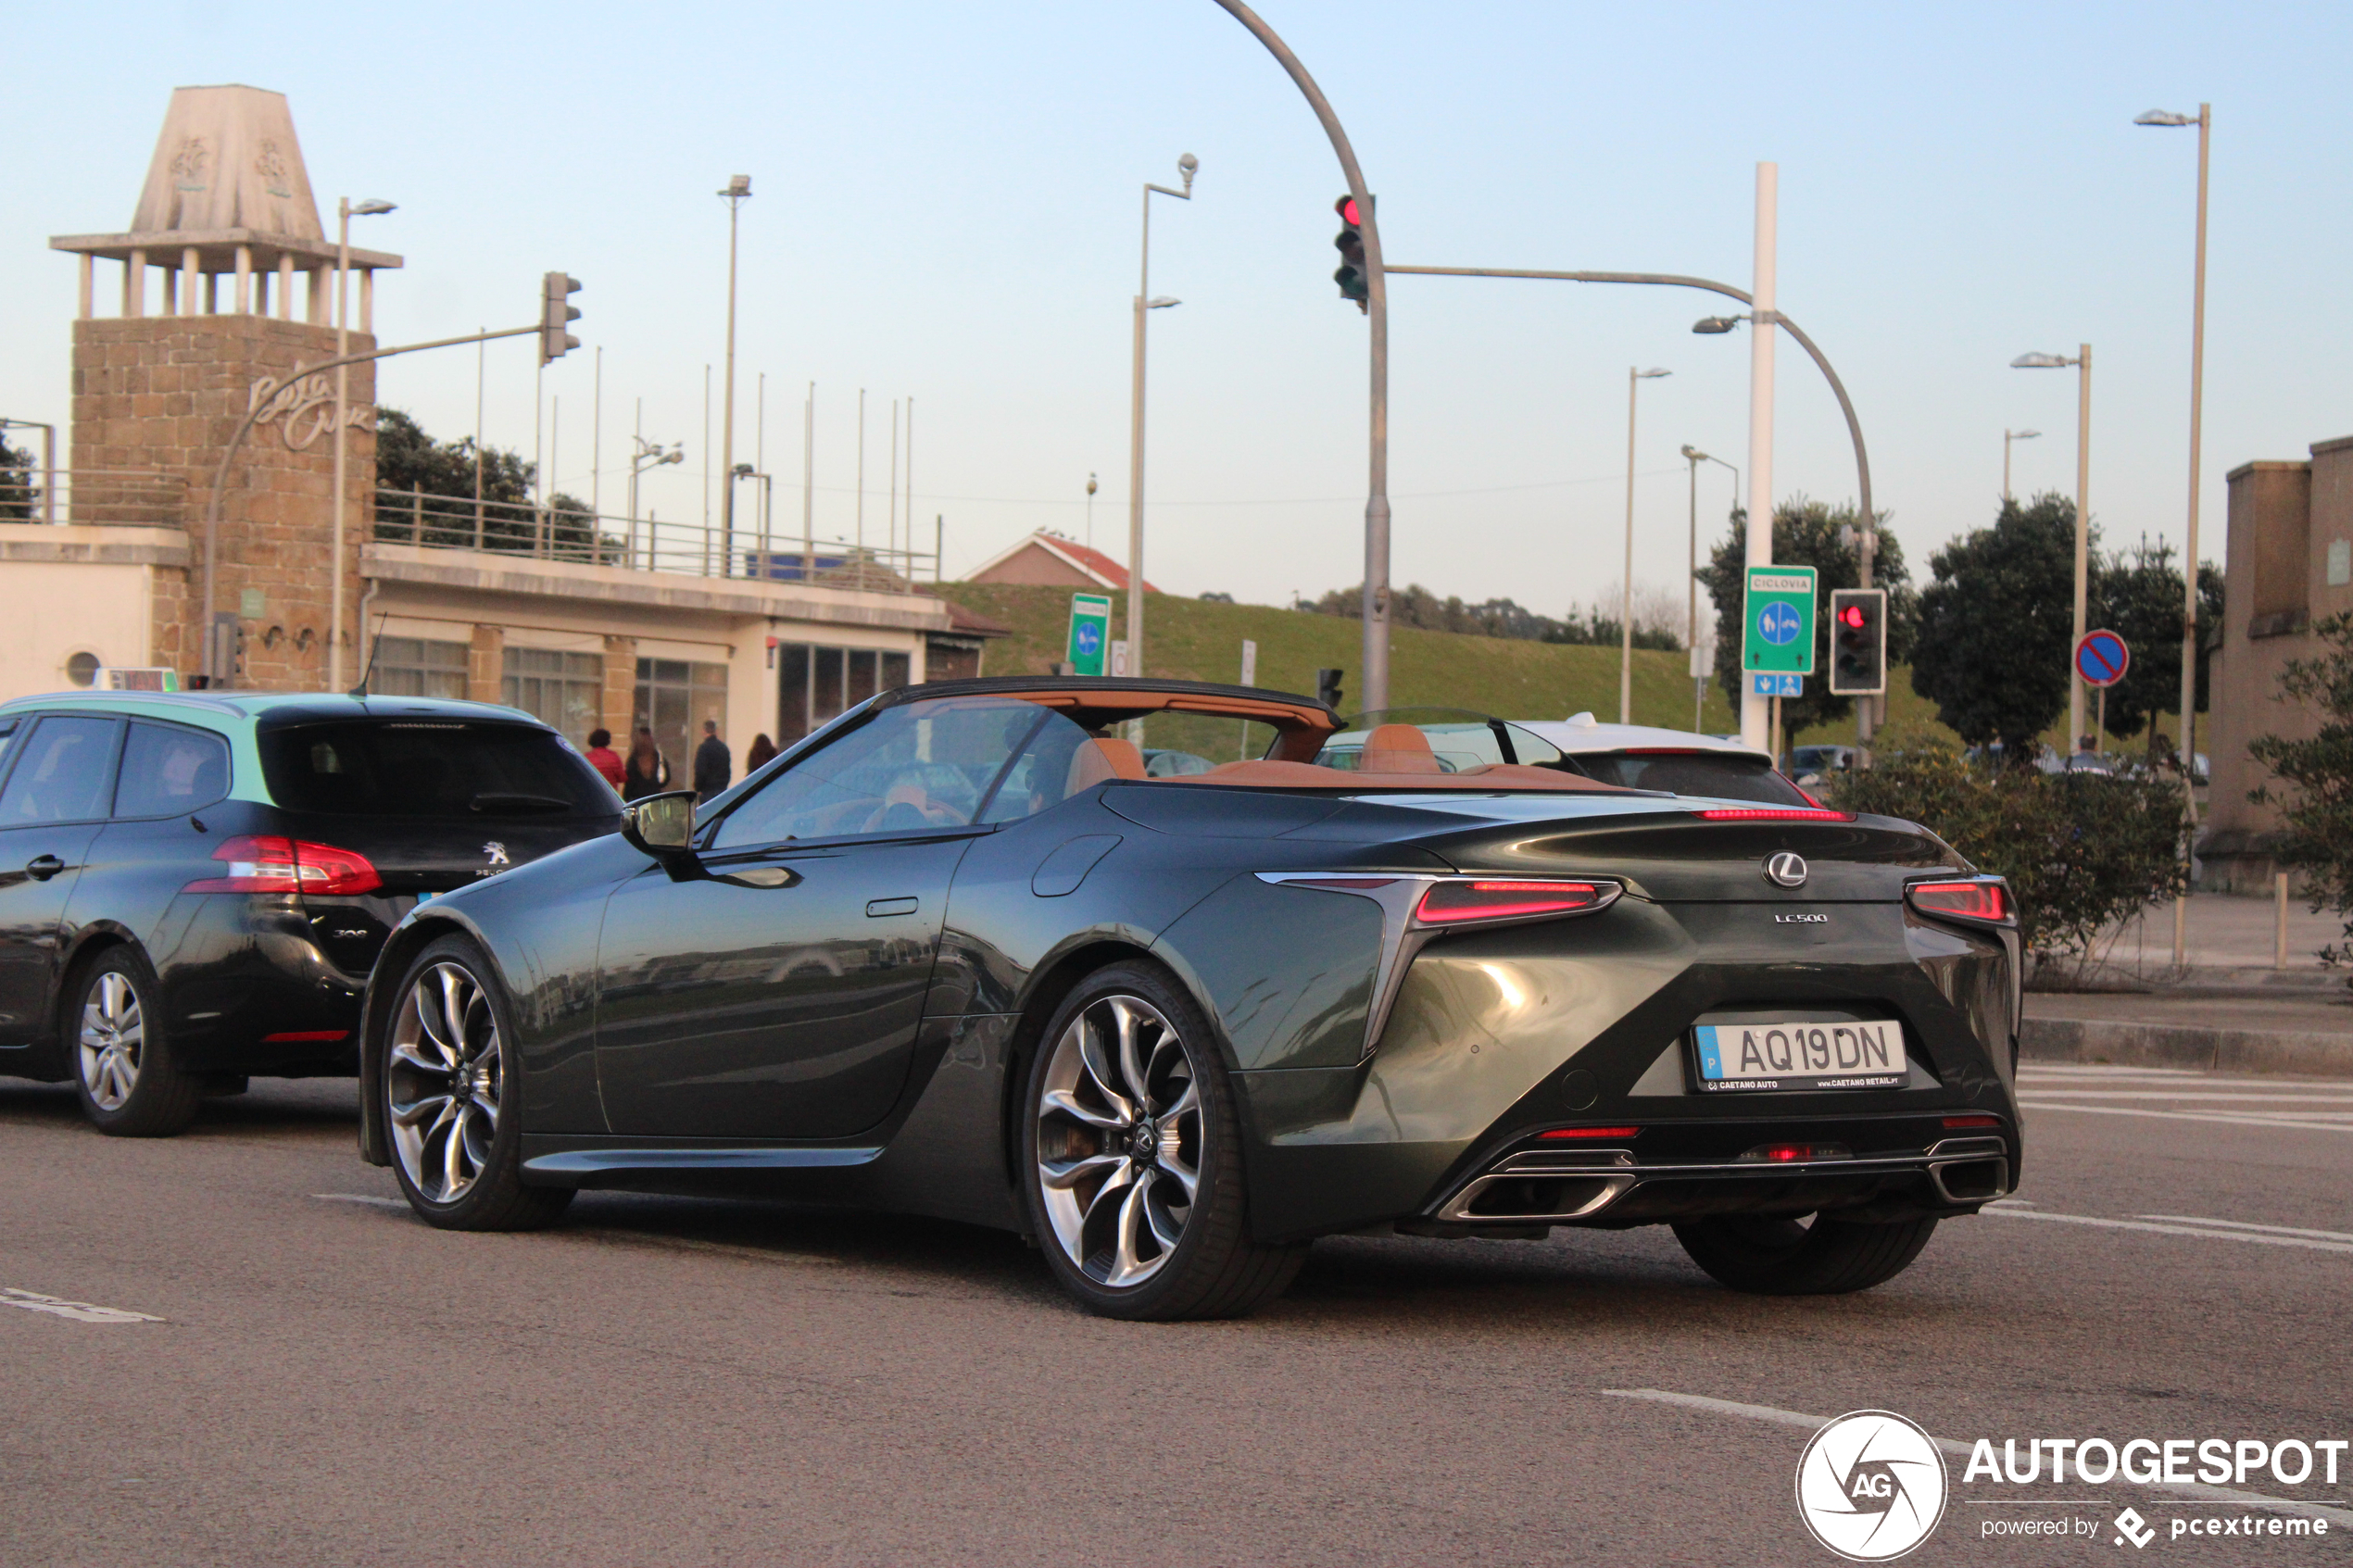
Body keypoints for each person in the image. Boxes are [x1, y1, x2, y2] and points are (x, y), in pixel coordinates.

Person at [623, 728, 671, 801]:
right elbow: (665, 779)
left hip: (638, 800)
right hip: (654, 798)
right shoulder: (658, 758)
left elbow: (629, 783)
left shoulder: (633, 760)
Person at [693, 718, 732, 802]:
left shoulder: (703, 749)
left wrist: (698, 787)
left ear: (704, 731)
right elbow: (727, 771)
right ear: (716, 731)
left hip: (707, 791)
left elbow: (700, 771)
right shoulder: (724, 748)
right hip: (722, 790)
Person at [584, 728, 625, 793]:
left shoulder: (586, 758)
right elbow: (623, 778)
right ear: (608, 741)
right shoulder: (613, 757)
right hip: (609, 795)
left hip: (591, 793)